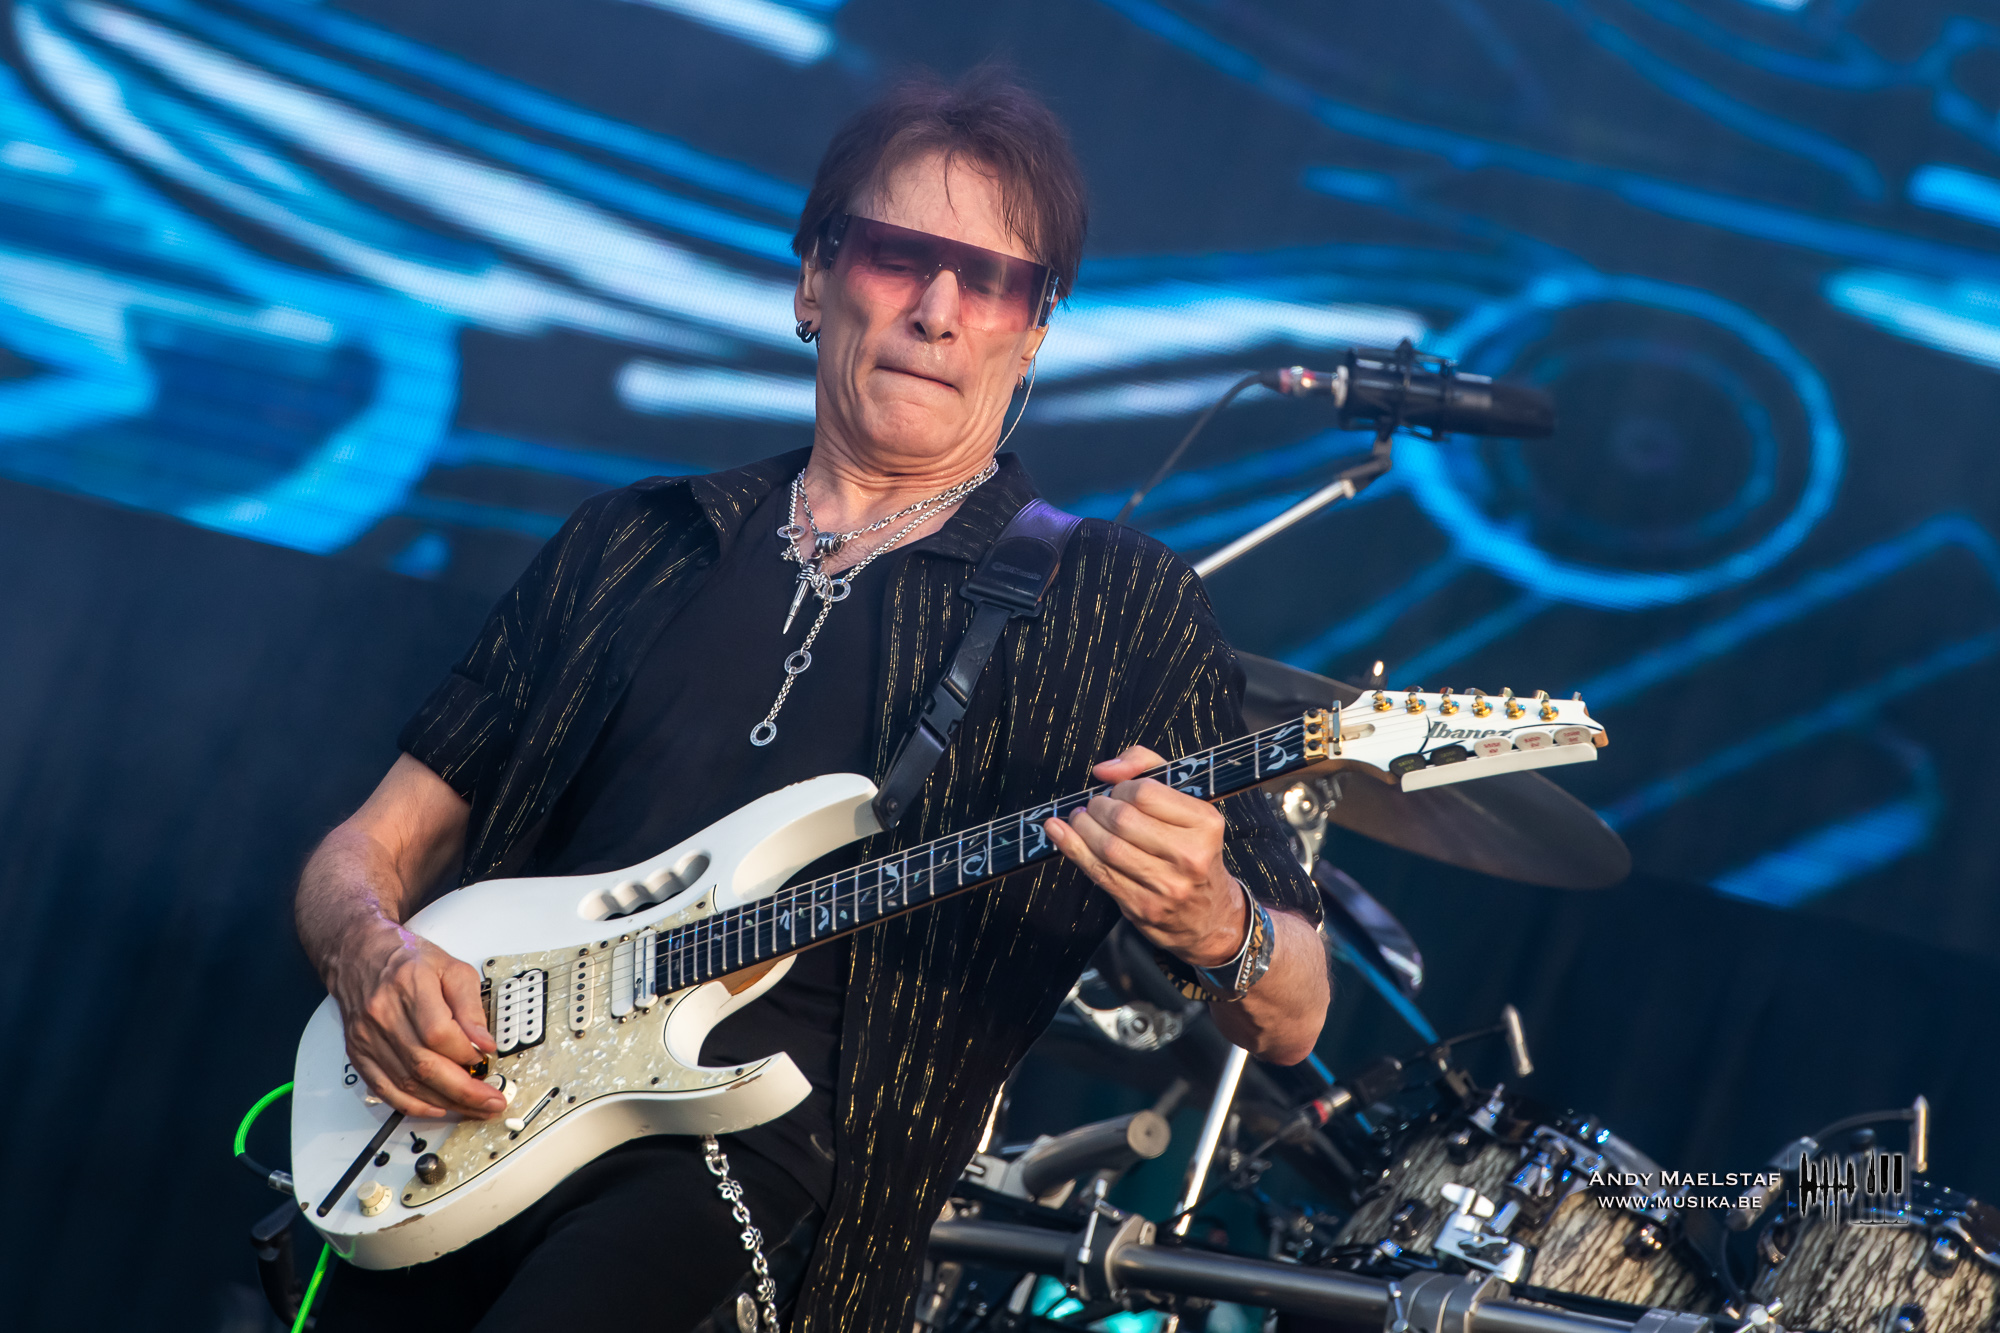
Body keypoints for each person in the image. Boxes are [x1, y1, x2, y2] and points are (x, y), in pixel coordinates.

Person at [296, 68, 1329, 1333]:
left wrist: (1213, 918)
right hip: (457, 1138)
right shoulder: (632, 540)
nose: (937, 311)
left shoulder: (1114, 604)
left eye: (990, 280)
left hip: (759, 1204)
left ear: (1033, 332)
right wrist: (371, 953)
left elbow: (1294, 1009)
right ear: (813, 279)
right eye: (898, 256)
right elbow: (370, 848)